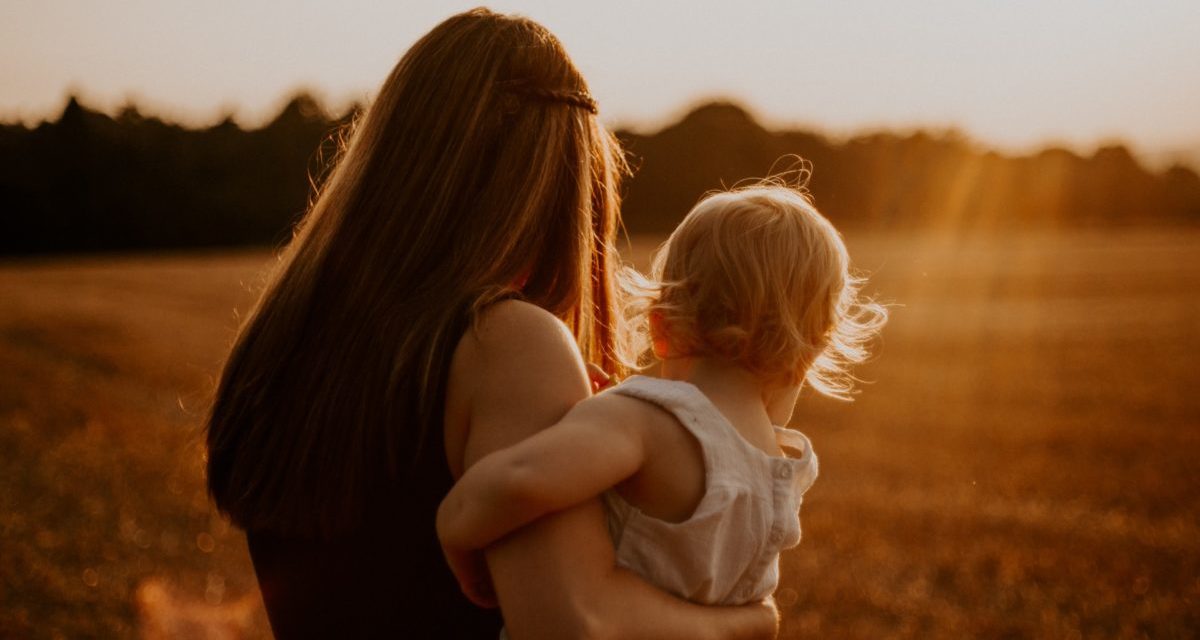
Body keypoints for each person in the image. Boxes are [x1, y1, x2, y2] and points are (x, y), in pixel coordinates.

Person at [204, 7, 778, 639]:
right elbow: (572, 624)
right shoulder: (505, 342)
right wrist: (741, 623)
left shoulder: (284, 339)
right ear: (561, 190)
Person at [437, 183, 887, 617]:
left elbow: (522, 478)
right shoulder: (781, 472)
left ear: (660, 327)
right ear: (807, 355)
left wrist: (455, 526)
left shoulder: (643, 421)